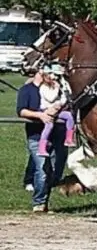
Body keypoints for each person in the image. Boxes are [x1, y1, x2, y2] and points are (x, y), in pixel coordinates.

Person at [17, 67, 60, 212]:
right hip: (36, 137)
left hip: (56, 136)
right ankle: (39, 203)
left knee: (53, 171)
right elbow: (21, 110)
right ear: (40, 72)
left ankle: (45, 202)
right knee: (42, 170)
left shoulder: (55, 88)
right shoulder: (26, 90)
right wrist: (40, 116)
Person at [37, 64, 76, 158]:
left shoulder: (55, 86)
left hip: (57, 110)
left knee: (69, 116)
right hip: (46, 110)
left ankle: (69, 138)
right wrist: (57, 89)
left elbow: (64, 97)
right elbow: (50, 98)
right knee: (49, 126)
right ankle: (41, 148)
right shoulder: (43, 88)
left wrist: (60, 103)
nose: (54, 78)